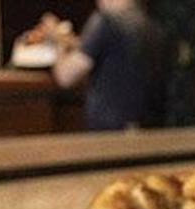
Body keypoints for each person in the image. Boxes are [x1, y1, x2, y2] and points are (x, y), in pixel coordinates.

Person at [27, 1, 165, 130]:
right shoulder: (149, 25)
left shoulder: (105, 22)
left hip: (109, 131)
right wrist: (71, 42)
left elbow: (65, 77)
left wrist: (57, 41)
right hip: (144, 129)